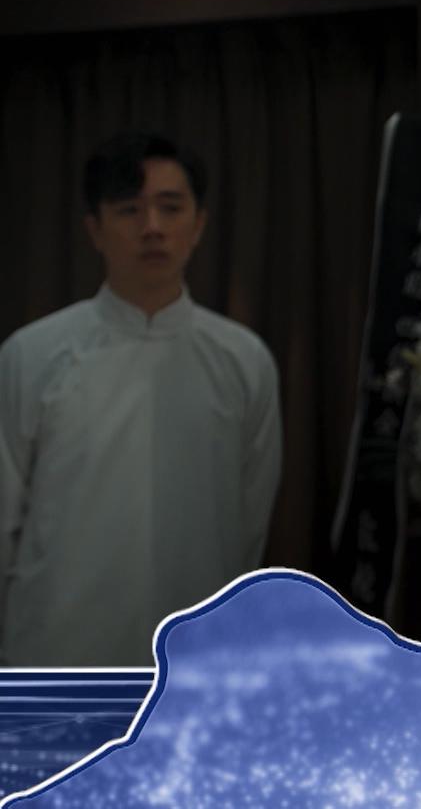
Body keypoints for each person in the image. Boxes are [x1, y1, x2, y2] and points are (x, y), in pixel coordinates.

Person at [0, 132, 282, 667]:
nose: (152, 227)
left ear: (198, 224)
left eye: (170, 208)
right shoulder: (31, 356)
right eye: (129, 210)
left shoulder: (244, 361)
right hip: (54, 656)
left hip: (196, 661)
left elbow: (248, 525)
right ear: (95, 229)